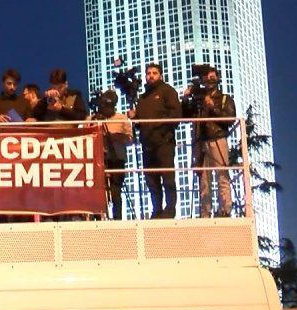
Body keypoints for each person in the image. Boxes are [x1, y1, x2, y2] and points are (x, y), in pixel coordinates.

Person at [182, 66, 236, 218]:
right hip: (200, 140)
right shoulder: (198, 99)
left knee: (222, 175)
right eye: (207, 78)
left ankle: (225, 209)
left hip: (217, 138)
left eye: (212, 77)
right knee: (204, 179)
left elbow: (230, 119)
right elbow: (185, 116)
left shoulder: (224, 98)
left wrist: (213, 108)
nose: (209, 80)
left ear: (218, 79)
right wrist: (185, 99)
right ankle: (205, 212)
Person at [132, 63, 181, 218]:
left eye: (154, 73)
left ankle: (170, 209)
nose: (151, 76)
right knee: (151, 180)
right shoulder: (143, 98)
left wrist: (162, 130)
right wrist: (134, 118)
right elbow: (139, 123)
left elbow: (176, 115)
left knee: (168, 178)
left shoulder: (168, 91)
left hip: (164, 142)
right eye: (148, 73)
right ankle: (157, 210)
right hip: (147, 144)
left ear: (160, 75)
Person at [89, 90, 134, 221]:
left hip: (116, 158)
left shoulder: (122, 118)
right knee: (97, 192)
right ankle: (97, 218)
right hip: (97, 160)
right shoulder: (93, 119)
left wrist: (115, 137)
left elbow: (130, 139)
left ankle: (117, 218)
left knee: (115, 192)